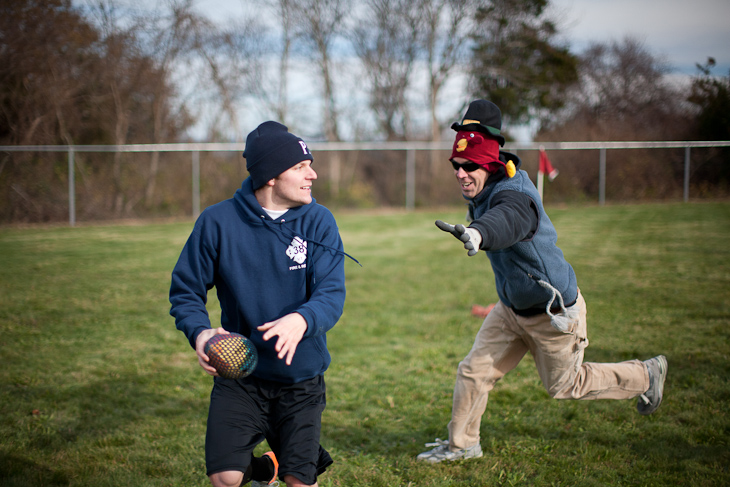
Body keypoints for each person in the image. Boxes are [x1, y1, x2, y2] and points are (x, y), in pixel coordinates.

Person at [417, 99, 668, 463]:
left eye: (469, 166)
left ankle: (644, 375)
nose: (460, 173)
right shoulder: (485, 187)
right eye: (456, 166)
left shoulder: (515, 195)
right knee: (473, 372)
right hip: (511, 309)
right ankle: (463, 445)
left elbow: (509, 219)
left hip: (552, 313)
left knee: (566, 386)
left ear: (489, 164)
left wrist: (478, 234)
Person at [170, 121, 351, 486]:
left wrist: (301, 320)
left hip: (300, 379)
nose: (312, 174)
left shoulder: (318, 221)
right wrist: (201, 334)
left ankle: (280, 466)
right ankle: (264, 468)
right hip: (241, 376)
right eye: (301, 167)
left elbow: (331, 293)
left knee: (300, 480)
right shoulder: (217, 222)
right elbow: (186, 290)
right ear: (270, 176)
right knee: (225, 478)